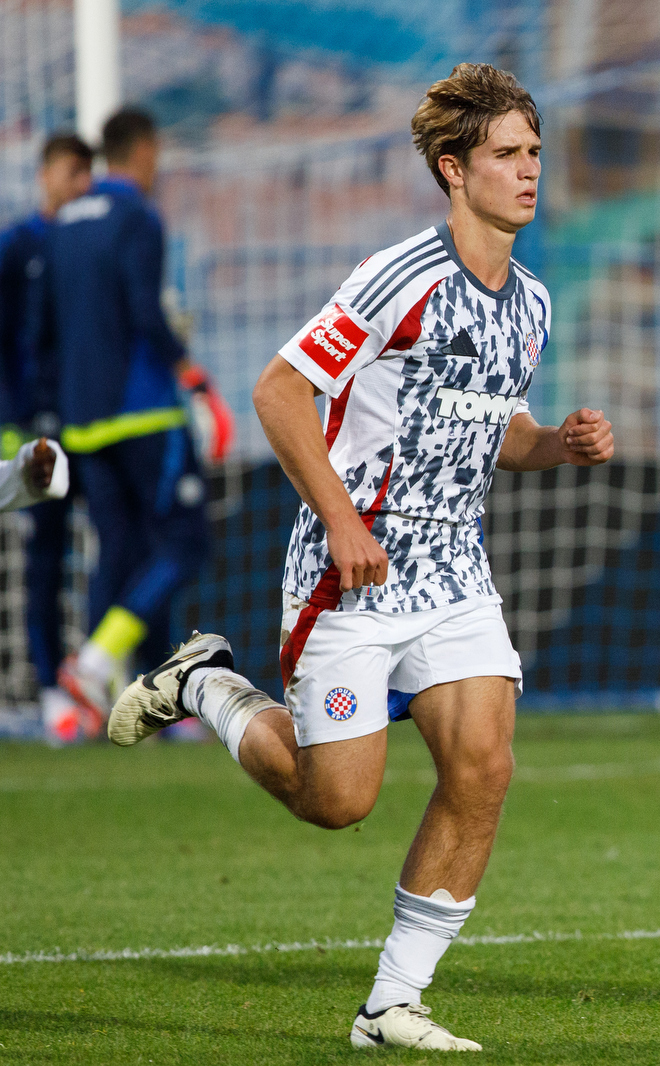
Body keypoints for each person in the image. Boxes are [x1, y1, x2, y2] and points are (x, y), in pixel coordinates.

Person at [107, 62, 614, 1052]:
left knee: (486, 765)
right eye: (507, 155)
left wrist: (556, 443)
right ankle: (208, 685)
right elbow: (278, 393)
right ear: (451, 170)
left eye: (535, 153)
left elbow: (491, 426)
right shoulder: (400, 278)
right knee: (337, 800)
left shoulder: (532, 305)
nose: (528, 172)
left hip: (456, 575)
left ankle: (391, 1004)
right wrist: (342, 519)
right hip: (353, 574)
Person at [44, 107, 234, 724]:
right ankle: (96, 667)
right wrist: (192, 374)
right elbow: (142, 308)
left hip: (81, 420)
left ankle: (112, 703)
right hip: (143, 413)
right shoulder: (137, 218)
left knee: (120, 551)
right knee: (183, 542)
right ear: (145, 150)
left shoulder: (61, 224)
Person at [0, 131, 92, 742]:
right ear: (45, 175)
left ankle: (124, 682)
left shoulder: (87, 243)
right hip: (32, 426)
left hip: (90, 421)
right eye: (69, 172)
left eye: (86, 174)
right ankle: (51, 691)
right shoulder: (18, 245)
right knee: (44, 553)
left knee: (124, 538)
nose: (77, 185)